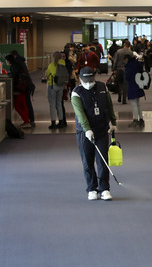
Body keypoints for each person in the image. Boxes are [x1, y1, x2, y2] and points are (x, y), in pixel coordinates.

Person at [71, 67, 117, 201]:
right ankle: (92, 188)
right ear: (80, 79)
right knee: (87, 160)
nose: (88, 83)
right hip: (84, 132)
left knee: (102, 159)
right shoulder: (76, 93)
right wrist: (87, 129)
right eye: (85, 81)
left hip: (101, 129)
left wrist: (112, 121)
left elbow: (109, 106)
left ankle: (104, 189)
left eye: (90, 80)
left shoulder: (103, 87)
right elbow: (80, 114)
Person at [4, 53, 33, 128]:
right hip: (24, 88)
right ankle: (27, 121)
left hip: (18, 90)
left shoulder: (14, 67)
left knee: (17, 106)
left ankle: (26, 121)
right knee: (24, 105)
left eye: (6, 61)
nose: (6, 62)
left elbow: (14, 78)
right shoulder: (18, 65)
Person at [45, 51, 68, 129]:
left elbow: (47, 74)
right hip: (61, 86)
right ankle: (61, 121)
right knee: (59, 103)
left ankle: (53, 122)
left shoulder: (51, 65)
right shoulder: (63, 64)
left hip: (52, 85)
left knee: (52, 104)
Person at [123, 54, 145, 128]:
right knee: (138, 103)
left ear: (127, 59)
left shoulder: (129, 66)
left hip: (132, 85)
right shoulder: (138, 64)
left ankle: (135, 119)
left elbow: (127, 77)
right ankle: (141, 119)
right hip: (139, 84)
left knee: (134, 103)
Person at [112, 40, 134, 104]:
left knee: (119, 83)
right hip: (127, 69)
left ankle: (119, 95)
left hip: (119, 69)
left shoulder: (118, 51)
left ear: (124, 45)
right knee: (125, 84)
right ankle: (124, 99)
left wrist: (113, 69)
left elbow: (115, 61)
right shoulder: (130, 52)